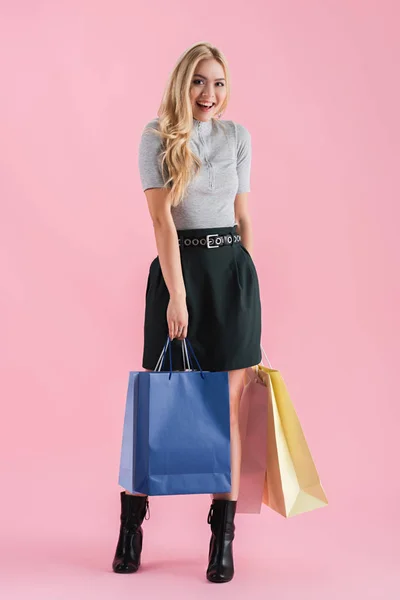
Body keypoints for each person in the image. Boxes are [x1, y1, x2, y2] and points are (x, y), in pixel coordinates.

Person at [112, 41, 262, 583]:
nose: (210, 94)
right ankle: (131, 527)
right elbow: (162, 224)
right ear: (183, 83)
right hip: (181, 272)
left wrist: (245, 276)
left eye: (219, 82)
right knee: (160, 400)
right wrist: (178, 294)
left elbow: (242, 213)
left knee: (229, 407)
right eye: (200, 81)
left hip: (231, 276)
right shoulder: (156, 137)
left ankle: (221, 541)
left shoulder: (238, 136)